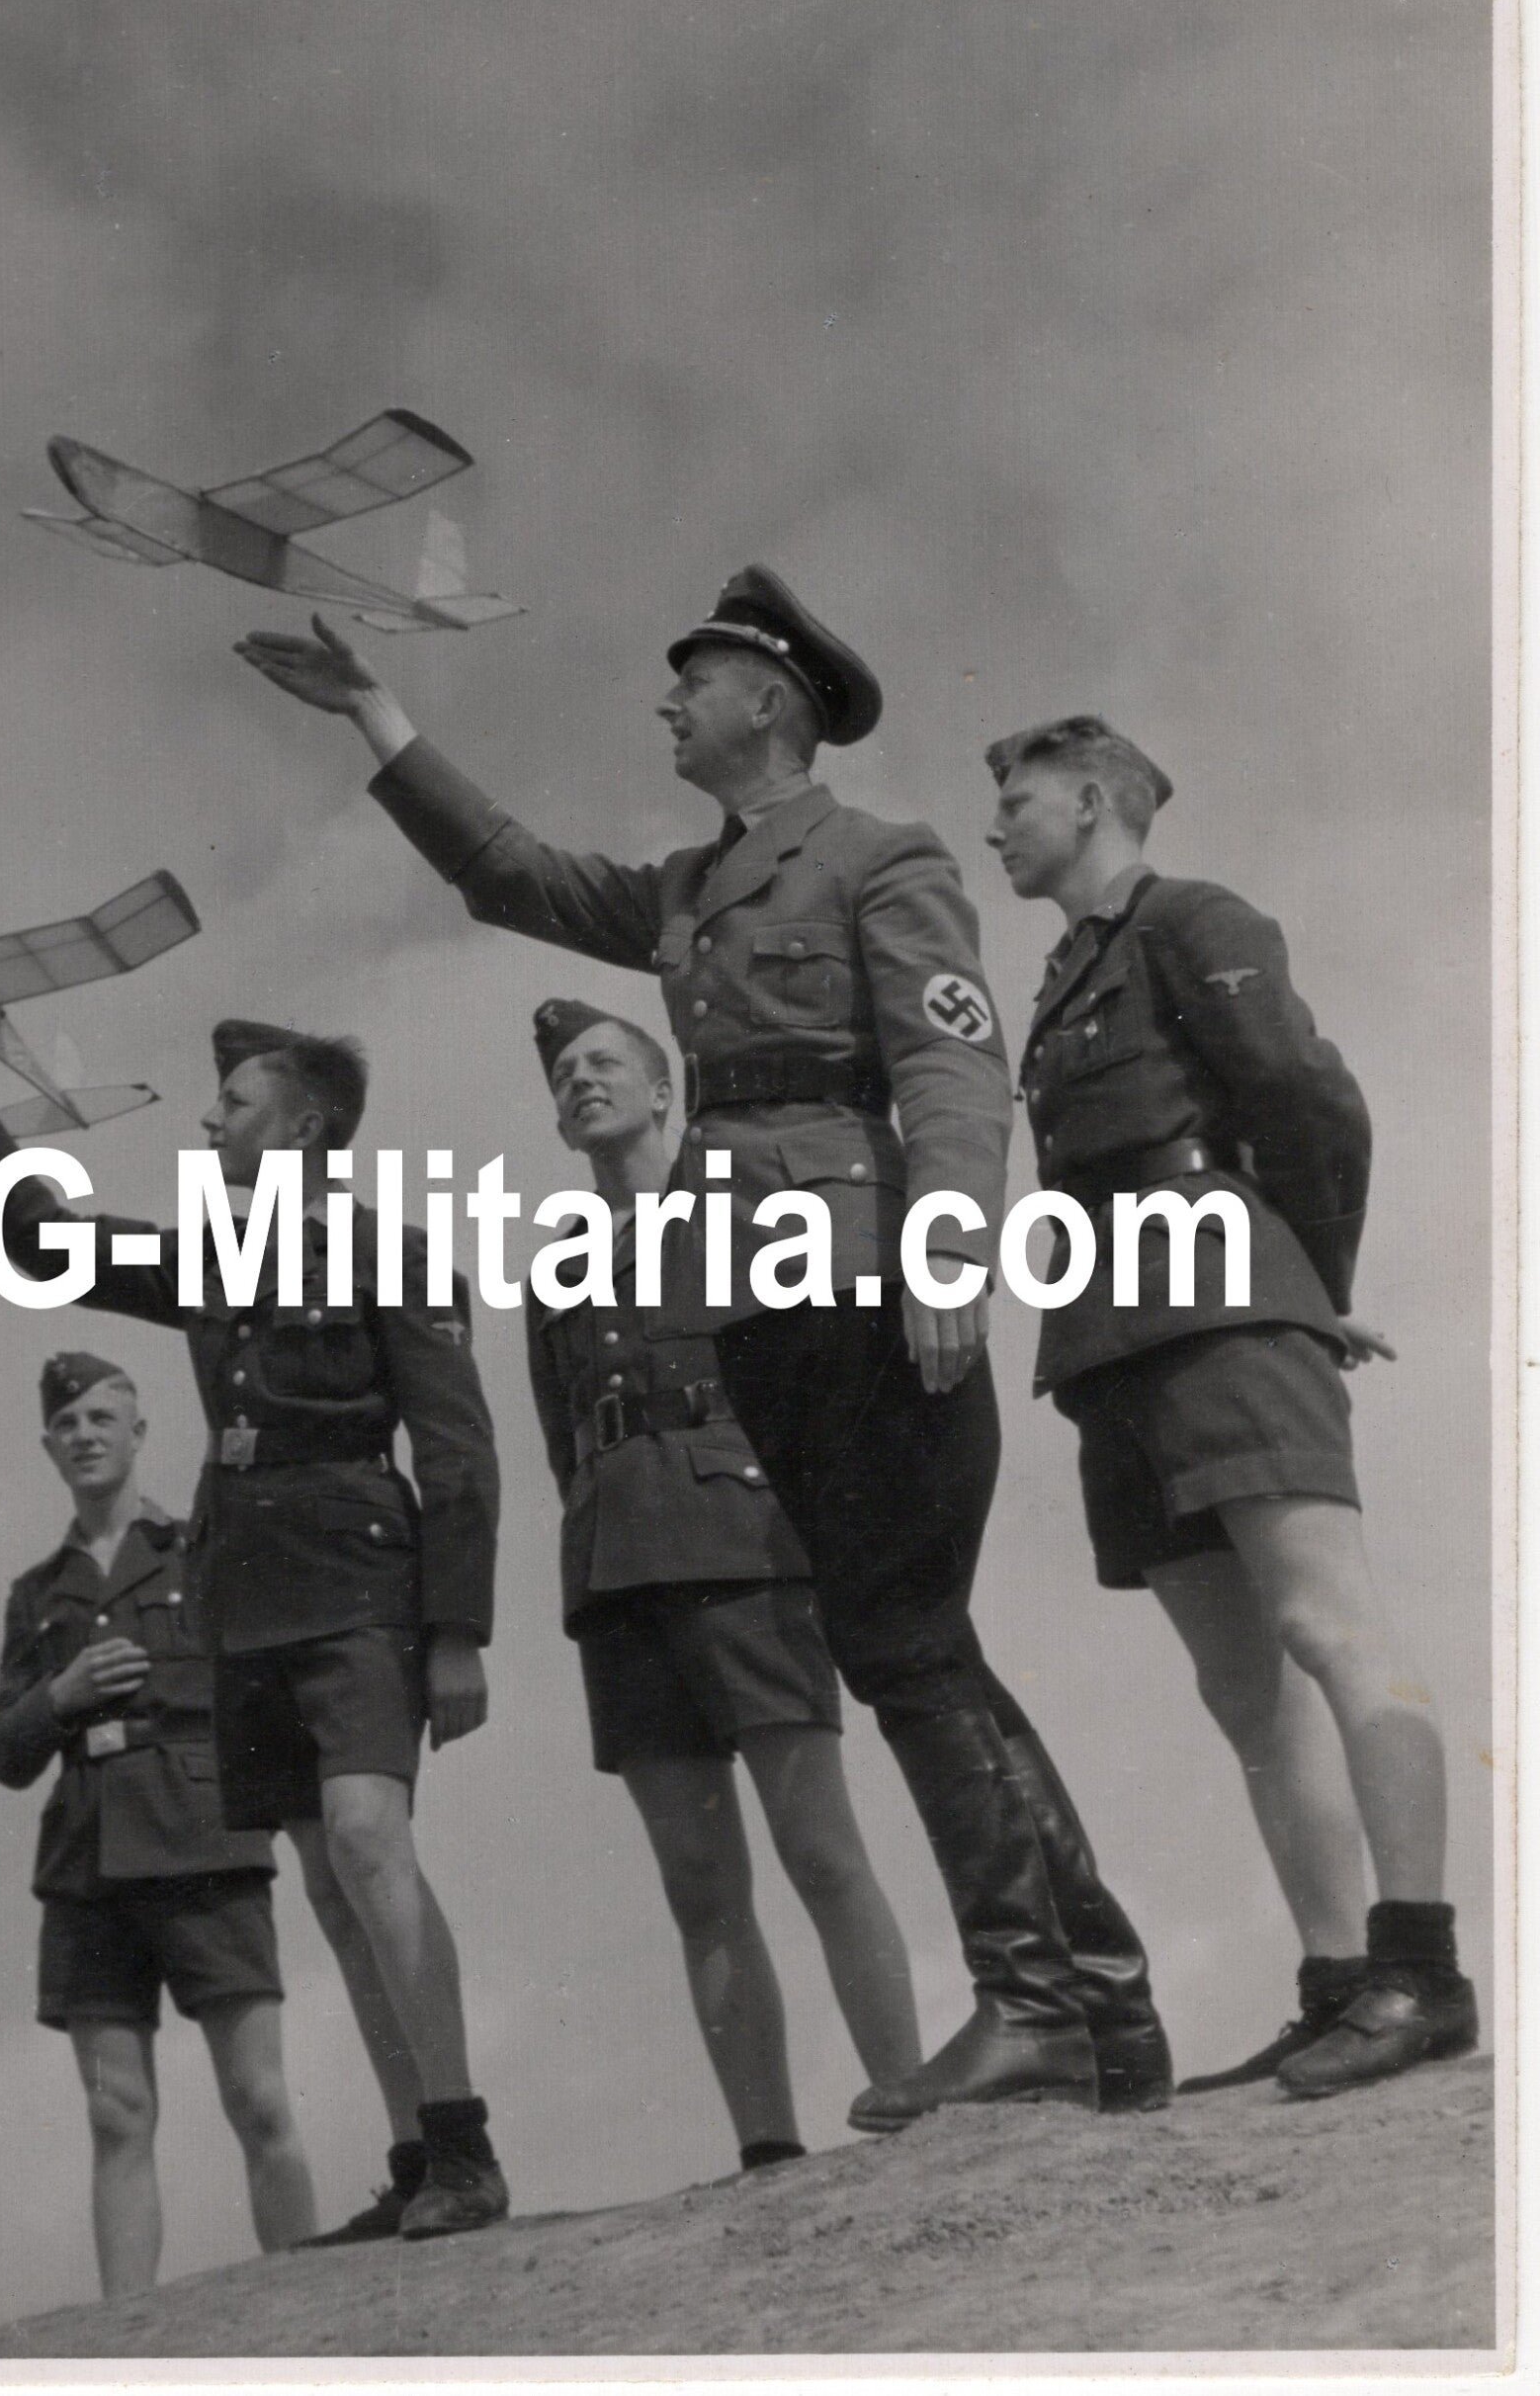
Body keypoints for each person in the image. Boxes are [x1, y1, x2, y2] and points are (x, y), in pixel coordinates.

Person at [237, 568, 1168, 2119]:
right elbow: (513, 875)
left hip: (860, 1272)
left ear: (770, 704)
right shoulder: (684, 888)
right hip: (757, 1300)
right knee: (907, 1649)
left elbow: (947, 1056)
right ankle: (1097, 2000)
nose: (667, 701)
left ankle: (1040, 1997)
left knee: (907, 1648)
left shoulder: (880, 855)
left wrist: (945, 1243)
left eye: (696, 677)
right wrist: (376, 716)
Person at [0, 998, 510, 2239]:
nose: (206, 1118)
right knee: (329, 1879)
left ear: (302, 1128)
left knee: (364, 1837)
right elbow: (51, 1245)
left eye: (232, 1103)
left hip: (356, 1575)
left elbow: (456, 1451)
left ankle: (465, 2142)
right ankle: (417, 2163)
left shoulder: (393, 1254)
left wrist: (457, 1631)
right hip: (246, 1590)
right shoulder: (213, 1254)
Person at [983, 712, 1476, 2096]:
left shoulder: (1190, 917)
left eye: (1014, 799)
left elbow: (1309, 1099)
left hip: (1218, 1294)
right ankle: (1332, 1982)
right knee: (1238, 1685)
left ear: (1087, 800)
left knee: (1327, 1623)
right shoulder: (1066, 969)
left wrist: (1307, 1282)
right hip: (1110, 1329)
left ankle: (1419, 1970)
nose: (993, 825)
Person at [529, 993, 925, 2164]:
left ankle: (907, 2099)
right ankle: (764, 2145)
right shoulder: (557, 1269)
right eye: (561, 1074)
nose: (578, 1080)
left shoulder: (747, 1211)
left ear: (664, 1090)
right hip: (619, 1568)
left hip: (747, 1547)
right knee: (697, 1879)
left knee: (815, 1844)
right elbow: (564, 1439)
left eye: (602, 1062)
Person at [0, 1350, 315, 2293]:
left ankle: (310, 2305)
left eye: (100, 1419)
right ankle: (125, 2338)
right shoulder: (36, 1594)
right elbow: (3, 1750)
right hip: (88, 1859)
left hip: (204, 1834)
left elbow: (265, 1685)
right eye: (66, 1426)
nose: (83, 1436)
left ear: (137, 1432)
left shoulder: (198, 1547)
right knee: (117, 2112)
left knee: (256, 2097)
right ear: (48, 1447)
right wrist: (62, 1693)